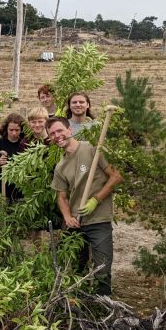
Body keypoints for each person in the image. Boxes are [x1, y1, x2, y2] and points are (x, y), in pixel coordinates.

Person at [47, 116, 124, 294]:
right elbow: (62, 197)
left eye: (60, 131)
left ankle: (104, 307)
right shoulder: (60, 166)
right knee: (76, 270)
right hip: (76, 223)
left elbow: (116, 176)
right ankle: (81, 306)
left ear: (69, 130)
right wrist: (67, 217)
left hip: (98, 220)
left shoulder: (92, 150)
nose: (57, 136)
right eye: (52, 134)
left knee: (102, 270)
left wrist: (96, 199)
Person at [0, 113, 26, 203]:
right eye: (11, 130)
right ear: (6, 129)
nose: (14, 133)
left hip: (19, 193)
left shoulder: (25, 145)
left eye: (17, 130)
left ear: (21, 130)